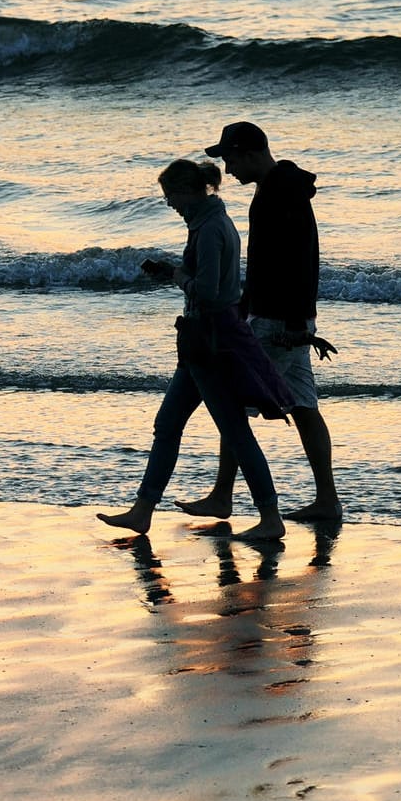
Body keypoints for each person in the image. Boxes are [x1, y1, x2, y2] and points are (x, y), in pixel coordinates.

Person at [98, 158, 292, 541]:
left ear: (187, 191)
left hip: (211, 341)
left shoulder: (210, 229)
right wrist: (179, 273)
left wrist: (175, 275)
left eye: (170, 195)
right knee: (167, 425)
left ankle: (271, 517)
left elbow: (208, 291)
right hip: (202, 341)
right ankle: (143, 510)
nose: (169, 203)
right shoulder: (210, 222)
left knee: (234, 431)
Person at [179, 121, 343, 523]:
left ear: (249, 152)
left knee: (232, 404)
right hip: (286, 317)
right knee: (304, 406)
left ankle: (224, 496)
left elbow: (295, 263)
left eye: (230, 158)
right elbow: (275, 263)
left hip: (278, 322)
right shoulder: (278, 189)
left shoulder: (278, 194)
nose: (228, 168)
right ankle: (328, 500)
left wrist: (291, 323)